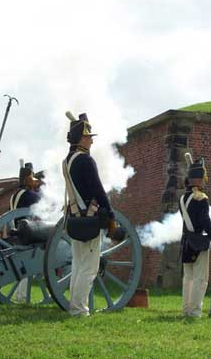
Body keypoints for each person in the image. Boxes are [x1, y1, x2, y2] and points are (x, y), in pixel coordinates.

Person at [63, 112, 116, 317]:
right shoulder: (85, 160)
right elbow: (98, 190)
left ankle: (74, 307)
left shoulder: (67, 161)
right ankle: (79, 310)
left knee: (78, 265)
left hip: (75, 218)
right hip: (89, 218)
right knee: (90, 268)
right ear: (81, 139)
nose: (91, 140)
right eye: (88, 136)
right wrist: (110, 216)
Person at [179, 154, 211, 318]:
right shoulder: (201, 198)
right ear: (198, 180)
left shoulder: (183, 198)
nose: (205, 181)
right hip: (198, 241)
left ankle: (186, 310)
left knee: (188, 279)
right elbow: (206, 222)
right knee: (200, 279)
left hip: (186, 242)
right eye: (203, 178)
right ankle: (195, 312)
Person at [9, 160, 43, 302]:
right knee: (27, 267)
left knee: (23, 267)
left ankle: (20, 295)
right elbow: (43, 201)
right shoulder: (28, 195)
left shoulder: (15, 194)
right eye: (32, 178)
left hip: (18, 232)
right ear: (27, 179)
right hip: (28, 234)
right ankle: (22, 296)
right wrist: (41, 188)